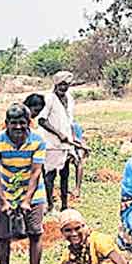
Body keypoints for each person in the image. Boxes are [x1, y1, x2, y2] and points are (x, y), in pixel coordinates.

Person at [0, 103, 48, 264]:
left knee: (35, 234)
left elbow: (36, 172)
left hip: (33, 192)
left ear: (28, 122)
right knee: (2, 236)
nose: (18, 127)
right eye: (14, 123)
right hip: (5, 192)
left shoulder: (38, 141)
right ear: (7, 124)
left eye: (22, 123)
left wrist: (27, 200)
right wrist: (4, 201)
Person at [37, 71, 84, 212]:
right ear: (56, 84)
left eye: (67, 85)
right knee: (50, 175)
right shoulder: (49, 99)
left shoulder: (69, 99)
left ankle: (64, 204)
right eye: (62, 85)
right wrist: (58, 134)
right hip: (51, 143)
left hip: (66, 144)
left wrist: (73, 137)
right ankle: (50, 204)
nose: (64, 88)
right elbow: (41, 120)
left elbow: (70, 120)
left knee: (65, 173)